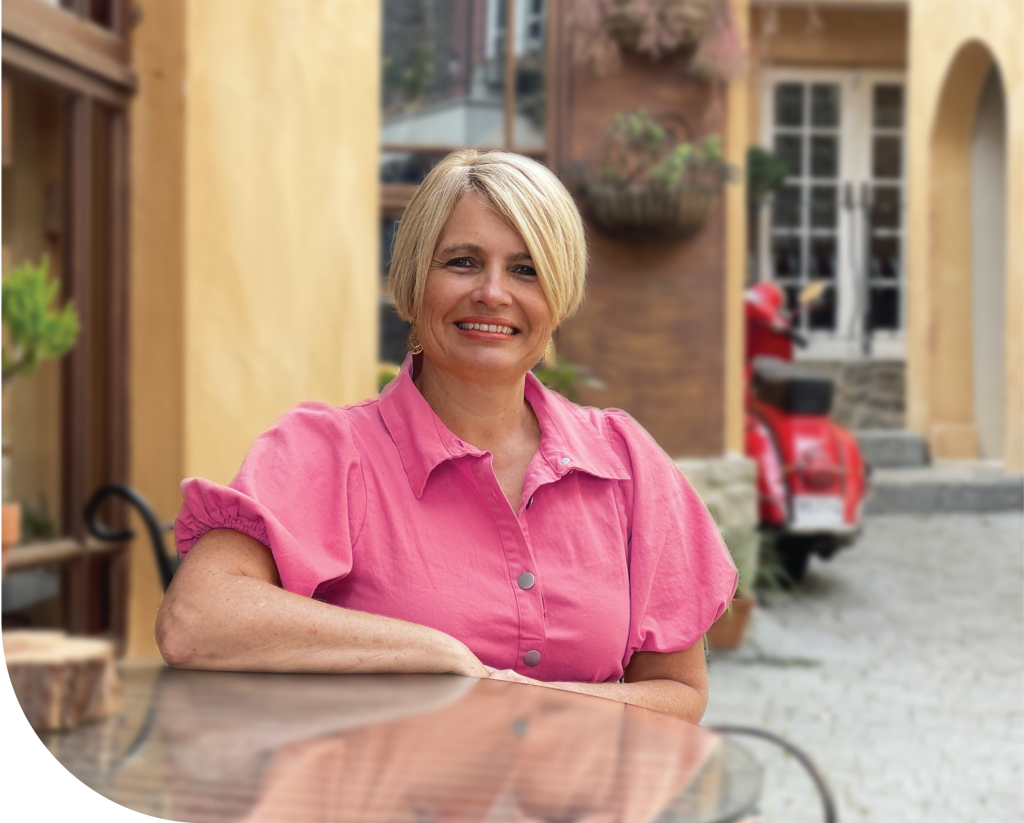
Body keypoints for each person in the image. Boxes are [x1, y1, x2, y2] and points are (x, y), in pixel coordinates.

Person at [156, 149, 737, 723]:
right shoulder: (327, 452)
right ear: (413, 282)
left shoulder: (624, 461)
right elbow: (195, 620)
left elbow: (678, 693)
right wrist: (434, 656)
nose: (492, 292)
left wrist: (511, 704)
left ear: (558, 297)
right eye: (462, 261)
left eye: (526, 268)